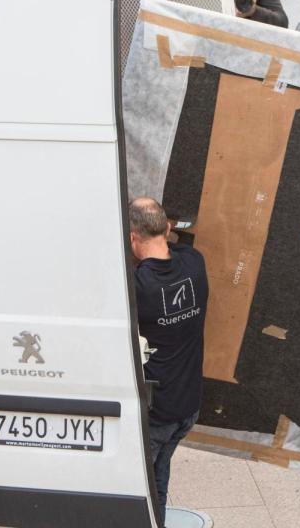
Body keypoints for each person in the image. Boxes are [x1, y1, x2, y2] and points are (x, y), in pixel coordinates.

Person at [129, 197, 209, 528]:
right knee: (158, 477)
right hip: (187, 405)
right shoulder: (194, 263)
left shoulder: (138, 288)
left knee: (138, 489)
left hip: (157, 411)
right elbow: (180, 247)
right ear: (168, 227)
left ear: (133, 237)